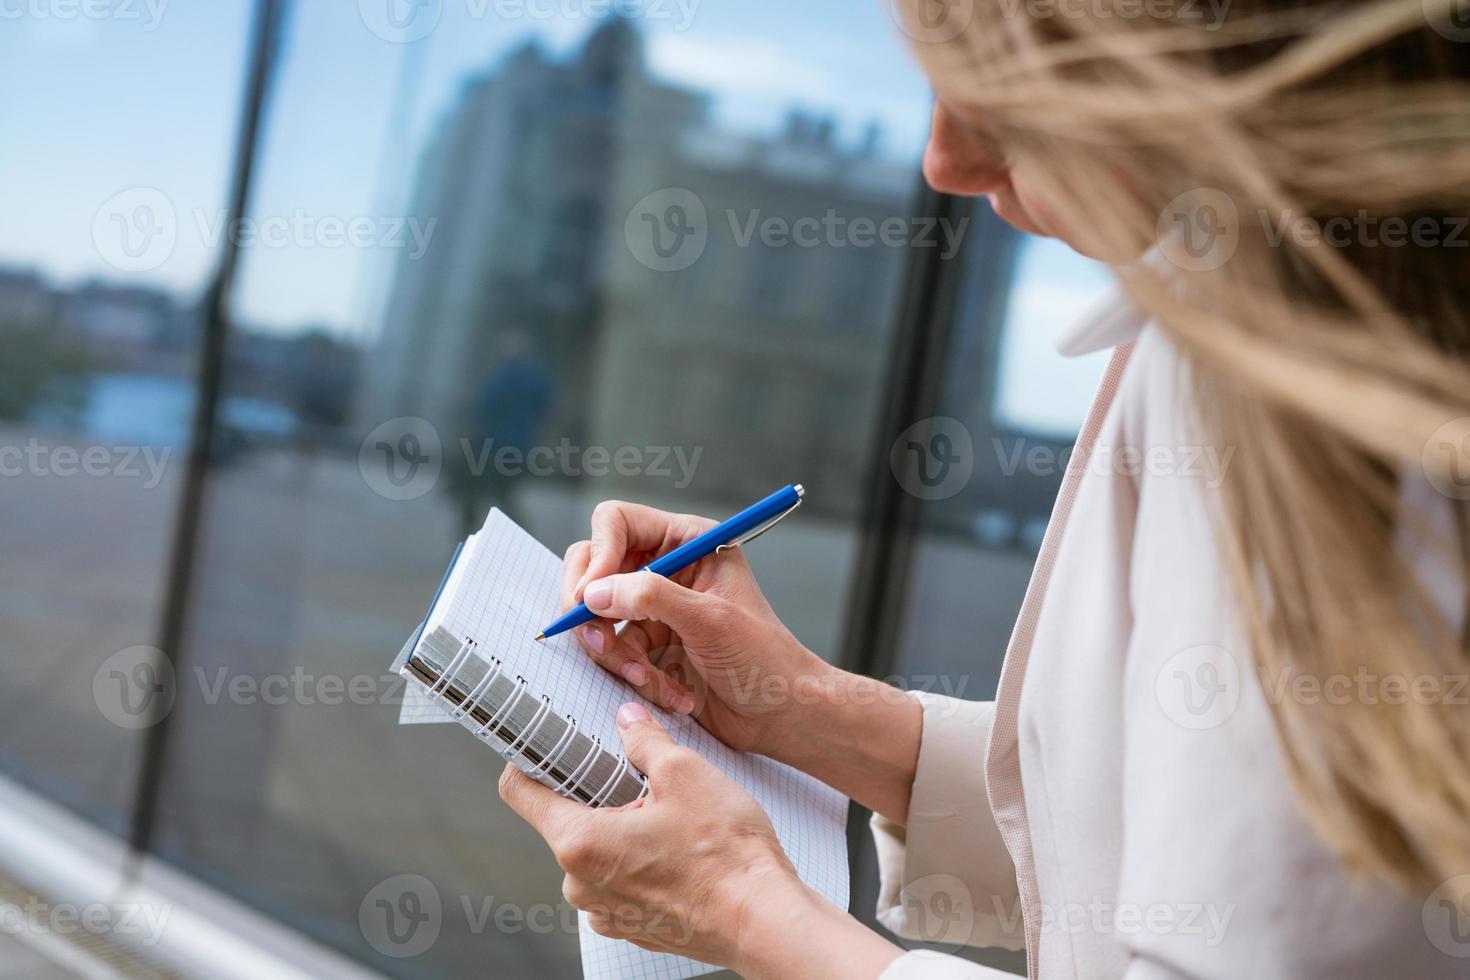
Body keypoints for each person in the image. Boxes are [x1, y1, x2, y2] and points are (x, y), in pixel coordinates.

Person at [497, 0, 1470, 975]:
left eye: (1001, 95)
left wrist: (741, 907)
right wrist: (798, 703)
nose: (945, 162)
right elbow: (1142, 855)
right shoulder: (1243, 326)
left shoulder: (1278, 407)